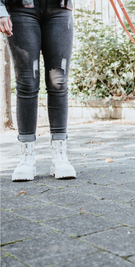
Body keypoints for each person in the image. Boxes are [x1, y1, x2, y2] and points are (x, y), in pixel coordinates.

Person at [0, 0, 76, 181]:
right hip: (20, 9)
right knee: (26, 83)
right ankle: (27, 158)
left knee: (58, 81)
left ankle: (60, 156)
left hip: (59, 9)